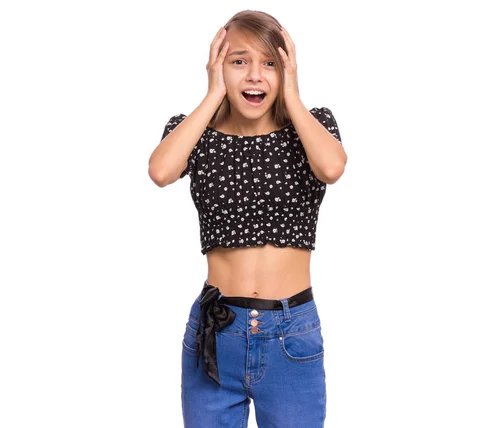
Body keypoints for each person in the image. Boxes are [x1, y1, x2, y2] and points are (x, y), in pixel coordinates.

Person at [148, 9, 346, 428]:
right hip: (216, 336)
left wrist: (292, 94)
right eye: (239, 61)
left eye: (269, 63)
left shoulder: (312, 129)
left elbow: (332, 167)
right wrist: (212, 95)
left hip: (289, 335)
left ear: (286, 69)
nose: (255, 75)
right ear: (219, 66)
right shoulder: (196, 135)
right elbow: (161, 171)